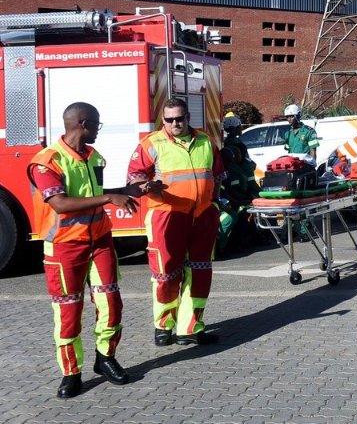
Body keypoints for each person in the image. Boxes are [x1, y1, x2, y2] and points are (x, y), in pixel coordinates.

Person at [28, 103, 157, 398]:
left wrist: (129, 190)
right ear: (82, 123)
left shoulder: (93, 157)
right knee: (68, 312)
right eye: (96, 124)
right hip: (64, 247)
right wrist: (110, 197)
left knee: (111, 304)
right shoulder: (46, 162)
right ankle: (71, 373)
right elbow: (60, 203)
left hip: (99, 241)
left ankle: (106, 359)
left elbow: (91, 195)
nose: (99, 130)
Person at [128, 98, 224, 346]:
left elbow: (218, 173)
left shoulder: (205, 140)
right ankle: (163, 326)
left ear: (188, 117)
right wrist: (144, 185)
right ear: (163, 120)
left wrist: (214, 202)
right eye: (169, 120)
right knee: (165, 274)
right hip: (166, 214)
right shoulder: (151, 143)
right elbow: (135, 175)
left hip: (202, 215)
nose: (174, 123)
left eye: (179, 118)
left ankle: (190, 328)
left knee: (200, 272)